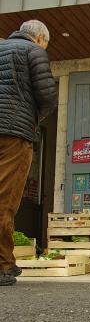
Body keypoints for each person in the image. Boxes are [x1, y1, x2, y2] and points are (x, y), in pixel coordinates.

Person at [0, 20, 57, 286]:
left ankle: (7, 262)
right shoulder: (33, 51)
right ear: (40, 38)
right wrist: (36, 118)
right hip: (14, 133)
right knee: (5, 199)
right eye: (46, 43)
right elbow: (47, 95)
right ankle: (2, 265)